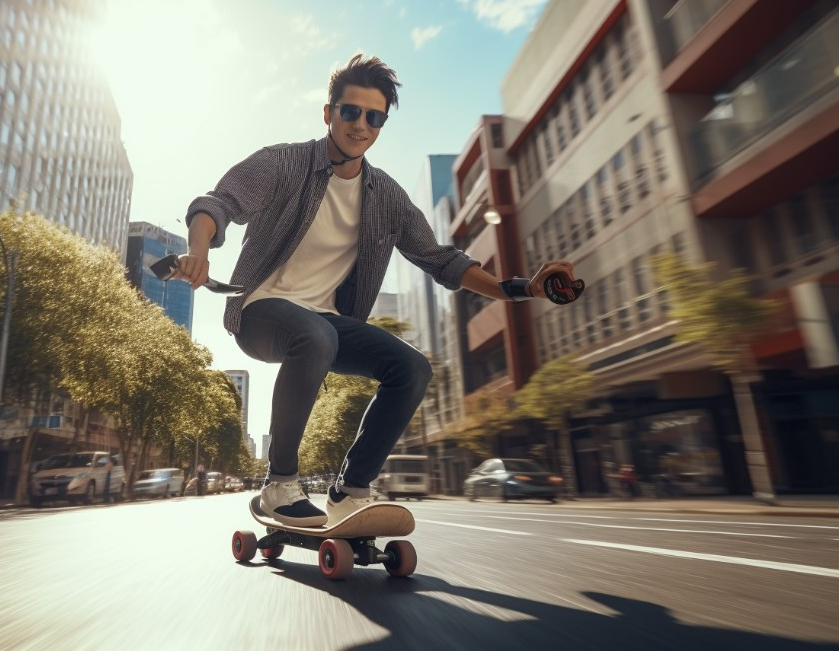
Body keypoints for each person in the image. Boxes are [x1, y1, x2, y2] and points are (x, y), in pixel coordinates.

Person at [171, 54, 580, 528]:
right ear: (329, 114)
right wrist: (199, 251)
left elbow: (441, 260)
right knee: (316, 336)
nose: (361, 125)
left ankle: (350, 490)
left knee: (411, 368)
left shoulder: (386, 197)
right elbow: (216, 203)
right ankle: (279, 484)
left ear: (382, 123)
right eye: (350, 112)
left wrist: (522, 289)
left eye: (374, 117)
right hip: (262, 311)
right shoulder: (282, 163)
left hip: (326, 322)